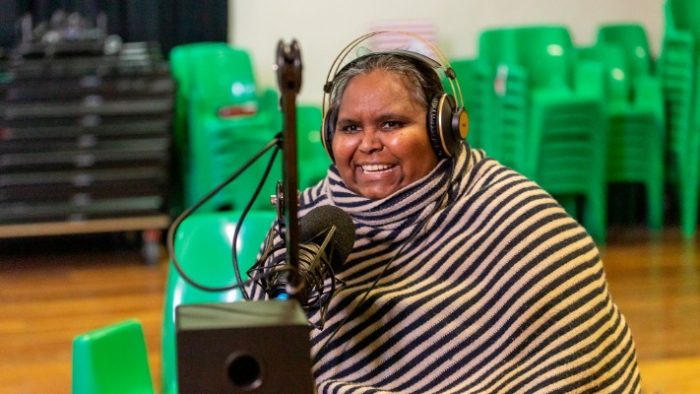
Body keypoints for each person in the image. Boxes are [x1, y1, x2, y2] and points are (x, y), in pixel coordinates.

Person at [248, 36, 641, 393]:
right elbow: (253, 352)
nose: (368, 144)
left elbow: (581, 368)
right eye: (350, 127)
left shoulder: (521, 218)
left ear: (444, 129)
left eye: (391, 124)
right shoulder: (308, 220)